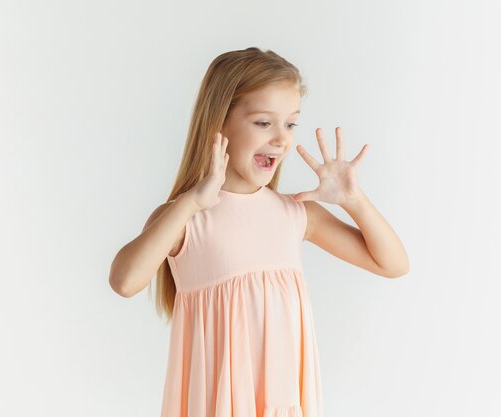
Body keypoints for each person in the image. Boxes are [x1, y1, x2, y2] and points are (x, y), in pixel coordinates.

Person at [109, 46, 409, 417]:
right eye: (264, 123)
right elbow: (124, 281)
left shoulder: (295, 214)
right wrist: (190, 203)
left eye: (291, 123)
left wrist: (353, 200)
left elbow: (393, 264)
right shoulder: (187, 219)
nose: (282, 139)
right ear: (219, 124)